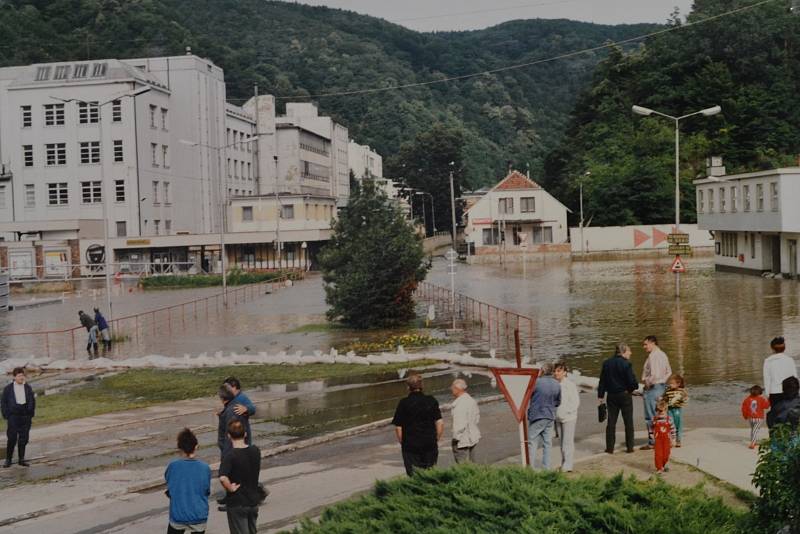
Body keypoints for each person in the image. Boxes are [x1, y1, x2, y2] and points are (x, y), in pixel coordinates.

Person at [391, 374, 443, 476]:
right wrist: (436, 438)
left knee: (413, 474)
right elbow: (439, 422)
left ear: (408, 387)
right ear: (422, 386)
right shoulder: (431, 400)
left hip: (410, 445)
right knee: (430, 473)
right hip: (429, 443)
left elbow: (398, 427)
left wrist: (403, 442)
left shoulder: (403, 403)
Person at [164, 428, 211, 534]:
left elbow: (169, 484)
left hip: (178, 514)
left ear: (179, 448)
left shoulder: (173, 466)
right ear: (196, 446)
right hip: (198, 514)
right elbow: (206, 490)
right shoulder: (204, 468)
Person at [219, 420, 262, 534]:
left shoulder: (230, 456)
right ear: (245, 434)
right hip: (253, 501)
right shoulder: (255, 450)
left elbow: (223, 477)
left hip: (237, 502)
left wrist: (230, 488)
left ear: (229, 436)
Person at [598, 343, 639, 454]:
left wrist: (600, 396)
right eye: (629, 351)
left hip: (611, 396)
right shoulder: (626, 364)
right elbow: (632, 382)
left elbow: (602, 382)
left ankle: (609, 448)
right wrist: (633, 388)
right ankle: (630, 448)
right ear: (623, 351)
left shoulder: (606, 363)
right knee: (628, 422)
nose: (630, 353)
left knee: (611, 423)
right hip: (625, 395)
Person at [527, 363, 561, 470]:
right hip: (550, 416)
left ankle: (530, 468)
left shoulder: (536, 382)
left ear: (542, 370)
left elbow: (527, 395)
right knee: (547, 443)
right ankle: (546, 468)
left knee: (532, 442)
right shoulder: (557, 384)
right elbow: (558, 401)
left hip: (537, 415)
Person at [640, 335, 672, 450]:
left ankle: (653, 441)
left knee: (650, 416)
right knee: (662, 413)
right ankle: (665, 437)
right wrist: (663, 380)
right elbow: (669, 371)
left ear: (653, 343)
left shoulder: (653, 356)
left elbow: (653, 374)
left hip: (653, 387)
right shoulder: (663, 354)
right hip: (662, 386)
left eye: (645, 344)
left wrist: (647, 383)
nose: (644, 347)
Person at [1, 367, 35, 467]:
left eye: (22, 375)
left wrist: (30, 413)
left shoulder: (28, 387)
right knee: (12, 438)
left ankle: (21, 459)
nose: (21, 378)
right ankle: (8, 460)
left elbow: (32, 401)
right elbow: (3, 403)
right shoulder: (8, 389)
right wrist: (7, 415)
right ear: (14, 377)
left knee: (23, 438)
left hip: (25, 416)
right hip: (13, 417)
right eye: (19, 376)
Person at [554, 362, 579, 472]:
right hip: (558, 417)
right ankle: (564, 462)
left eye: (559, 371)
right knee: (561, 441)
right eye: (555, 371)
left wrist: (566, 412)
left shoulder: (570, 385)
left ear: (564, 373)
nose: (556, 373)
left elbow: (575, 402)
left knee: (567, 442)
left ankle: (568, 465)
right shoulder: (554, 384)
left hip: (569, 417)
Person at [450, 378, 480, 464]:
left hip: (462, 439)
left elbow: (459, 424)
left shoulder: (460, 404)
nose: (451, 390)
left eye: (452, 388)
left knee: (462, 466)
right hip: (473, 436)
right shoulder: (471, 400)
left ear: (457, 389)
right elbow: (477, 418)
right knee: (473, 464)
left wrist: (456, 438)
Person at [763, 336, 798, 407]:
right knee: (789, 415)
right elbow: (795, 377)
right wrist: (797, 392)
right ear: (784, 348)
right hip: (789, 392)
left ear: (772, 349)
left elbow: (767, 379)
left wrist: (767, 395)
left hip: (774, 393)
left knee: (776, 415)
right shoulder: (790, 360)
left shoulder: (768, 361)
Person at [224, 377, 257, 446]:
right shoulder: (230, 398)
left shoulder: (242, 398)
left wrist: (246, 408)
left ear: (234, 387)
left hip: (242, 432)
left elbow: (253, 408)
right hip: (233, 431)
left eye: (226, 388)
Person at [217, 386, 244, 461]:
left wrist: (226, 457)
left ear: (222, 398)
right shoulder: (231, 407)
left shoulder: (231, 411)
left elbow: (230, 435)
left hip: (230, 453)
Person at [741, 385, 770, 449]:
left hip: (750, 418)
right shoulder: (761, 399)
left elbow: (743, 409)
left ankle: (753, 441)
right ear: (760, 392)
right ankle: (753, 443)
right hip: (759, 418)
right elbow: (767, 406)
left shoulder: (747, 399)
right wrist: (769, 399)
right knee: (755, 430)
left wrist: (745, 416)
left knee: (753, 430)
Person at [663, 374, 688, 447]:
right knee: (671, 424)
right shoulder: (668, 390)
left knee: (678, 424)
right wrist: (662, 401)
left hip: (677, 409)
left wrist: (682, 402)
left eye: (672, 383)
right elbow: (665, 398)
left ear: (678, 384)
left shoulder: (681, 391)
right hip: (670, 409)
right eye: (670, 383)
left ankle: (678, 440)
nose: (670, 385)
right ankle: (671, 440)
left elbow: (686, 398)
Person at [652, 398, 676, 474]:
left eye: (663, 410)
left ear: (666, 410)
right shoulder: (655, 420)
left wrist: (674, 439)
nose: (661, 412)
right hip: (658, 440)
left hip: (667, 440)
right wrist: (651, 438)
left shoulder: (669, 419)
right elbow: (651, 430)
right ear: (656, 410)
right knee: (658, 455)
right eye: (659, 410)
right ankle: (659, 468)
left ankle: (663, 465)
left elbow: (673, 430)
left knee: (666, 455)